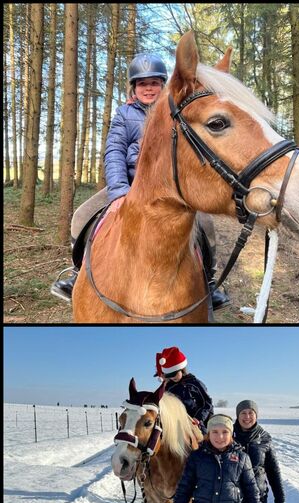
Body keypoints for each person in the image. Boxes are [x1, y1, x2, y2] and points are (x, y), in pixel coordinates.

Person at [51, 52, 230, 311]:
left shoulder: (176, 113)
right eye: (142, 84)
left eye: (154, 83)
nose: (148, 88)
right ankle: (79, 273)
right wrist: (119, 191)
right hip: (128, 184)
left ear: (163, 85)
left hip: (168, 189)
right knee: (81, 216)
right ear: (134, 88)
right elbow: (114, 151)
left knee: (205, 222)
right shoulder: (124, 115)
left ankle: (209, 283)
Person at [154, 346, 213, 433]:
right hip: (175, 425)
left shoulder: (194, 384)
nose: (173, 377)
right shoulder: (168, 388)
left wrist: (198, 418)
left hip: (195, 423)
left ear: (182, 369)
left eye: (174, 373)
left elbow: (207, 403)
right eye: (169, 375)